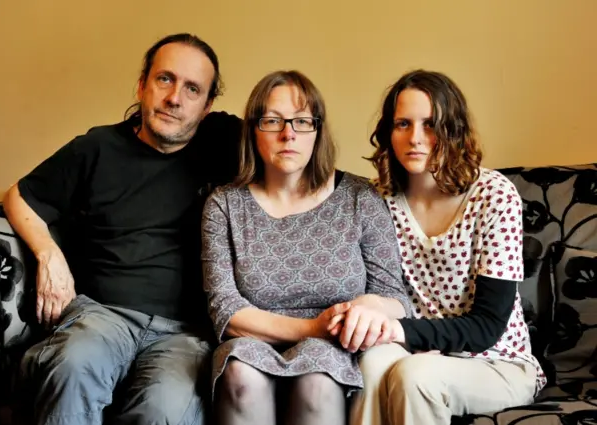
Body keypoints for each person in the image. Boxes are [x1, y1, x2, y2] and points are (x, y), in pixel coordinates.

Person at [3, 33, 241, 425]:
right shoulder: (97, 147)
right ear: (142, 84)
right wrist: (49, 254)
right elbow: (20, 196)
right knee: (74, 365)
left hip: (184, 334)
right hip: (101, 315)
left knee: (167, 408)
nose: (175, 98)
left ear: (207, 105)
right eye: (165, 79)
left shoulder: (225, 143)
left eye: (192, 88)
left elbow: (292, 142)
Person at [200, 70, 412, 425]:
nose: (288, 134)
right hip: (254, 343)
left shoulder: (361, 198)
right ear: (253, 130)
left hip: (336, 346)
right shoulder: (224, 205)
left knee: (317, 380)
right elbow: (226, 310)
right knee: (240, 377)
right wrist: (313, 327)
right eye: (272, 121)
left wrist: (367, 308)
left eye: (302, 121)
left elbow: (396, 299)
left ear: (318, 130)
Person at [349, 69, 547, 425]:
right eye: (403, 124)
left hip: (497, 361)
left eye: (430, 125)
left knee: (416, 376)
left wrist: (398, 331)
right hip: (414, 350)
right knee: (371, 365)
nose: (416, 138)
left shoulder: (493, 195)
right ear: (388, 132)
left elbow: (488, 326)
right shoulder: (378, 199)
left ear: (453, 130)